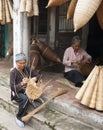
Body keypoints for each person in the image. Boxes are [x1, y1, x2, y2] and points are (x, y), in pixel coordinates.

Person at [10, 53, 43, 128]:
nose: (22, 65)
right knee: (25, 99)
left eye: (24, 63)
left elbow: (39, 75)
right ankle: (19, 117)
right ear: (16, 62)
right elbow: (12, 87)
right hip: (17, 93)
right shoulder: (13, 72)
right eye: (20, 63)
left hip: (27, 90)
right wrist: (22, 83)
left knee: (35, 91)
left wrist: (34, 79)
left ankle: (32, 100)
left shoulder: (27, 68)